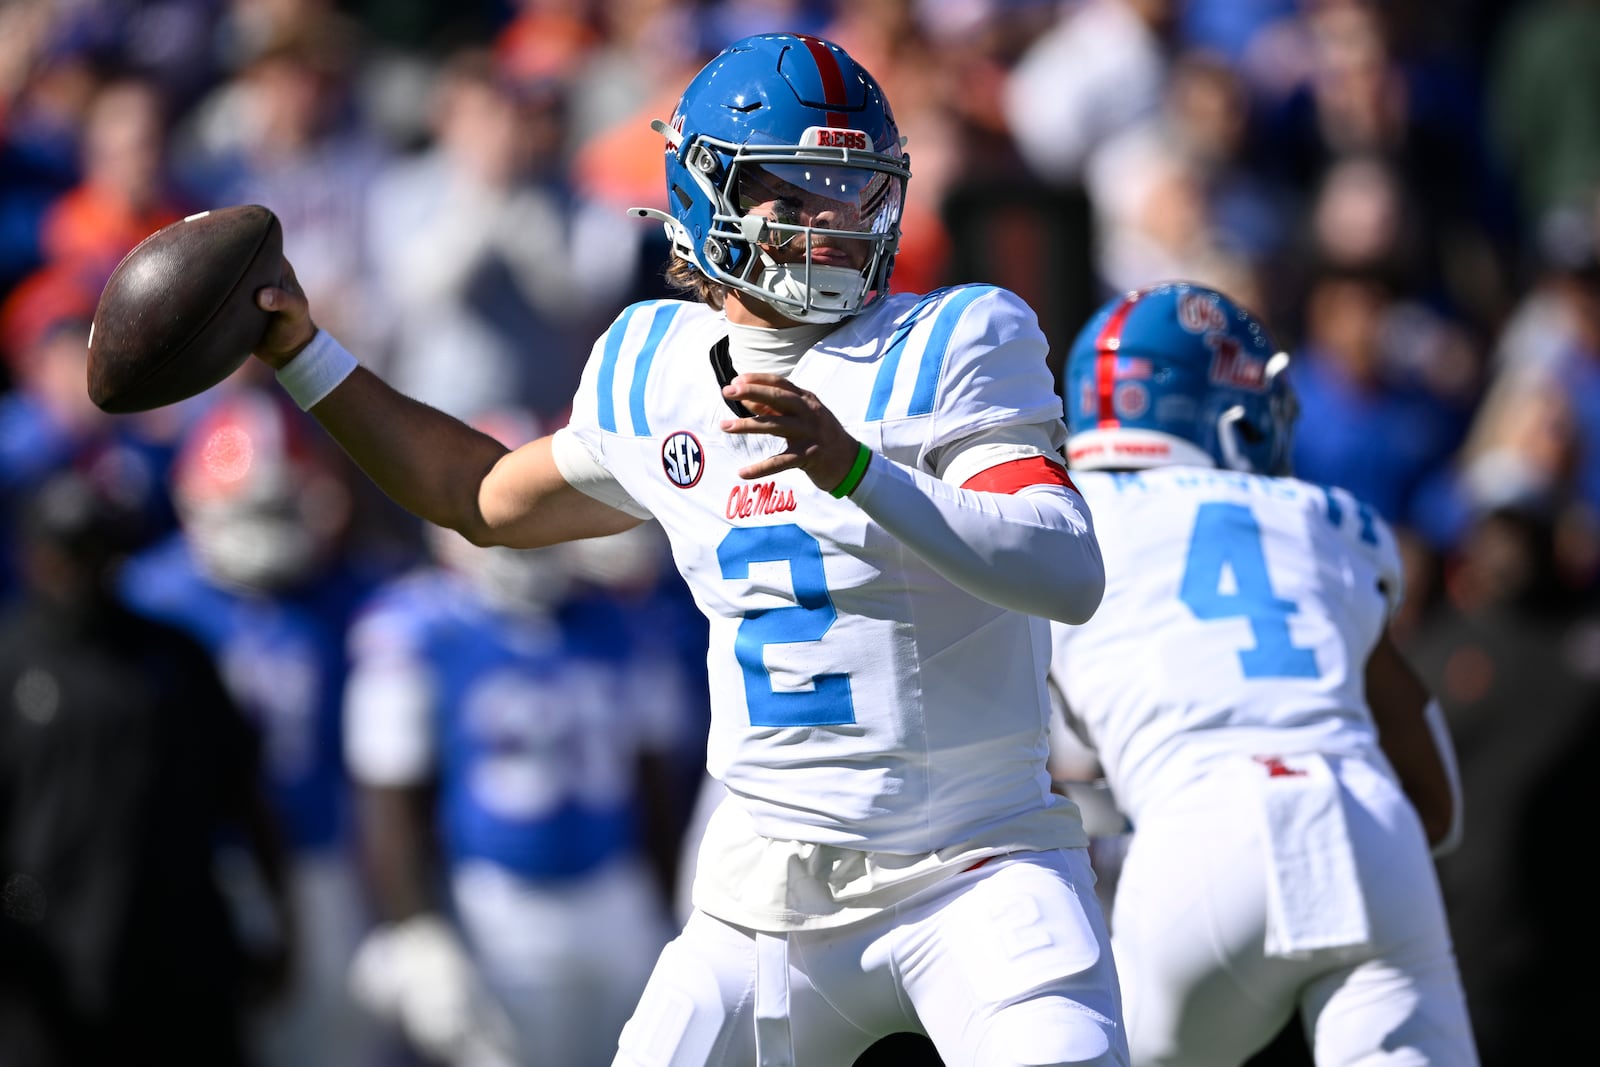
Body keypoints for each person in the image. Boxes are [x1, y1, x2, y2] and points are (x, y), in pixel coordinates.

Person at [246, 30, 1124, 1067]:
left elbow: (1064, 567)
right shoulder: (650, 364)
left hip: (976, 867)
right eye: (792, 192)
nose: (833, 224)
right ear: (706, 195)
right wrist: (303, 356)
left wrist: (856, 471)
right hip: (764, 903)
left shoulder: (954, 340)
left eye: (853, 192)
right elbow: (477, 494)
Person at [1046, 281, 1480, 1066]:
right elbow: (1438, 805)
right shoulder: (1330, 519)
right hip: (1363, 819)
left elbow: (1044, 781)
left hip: (1194, 831)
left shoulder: (1056, 528)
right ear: (1233, 413)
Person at [342, 410, 693, 1067]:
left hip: (614, 892)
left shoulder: (620, 620)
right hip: (492, 903)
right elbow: (390, 802)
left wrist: (669, 903)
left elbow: (655, 785)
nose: (527, 541)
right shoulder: (418, 628)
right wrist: (416, 927)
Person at [0, 468, 291, 1066]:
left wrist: (276, 918)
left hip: (180, 959)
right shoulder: (8, 664)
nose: (82, 571)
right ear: (32, 555)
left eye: (98, 553)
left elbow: (243, 797)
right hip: (45, 968)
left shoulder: (174, 658)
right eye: (67, 553)